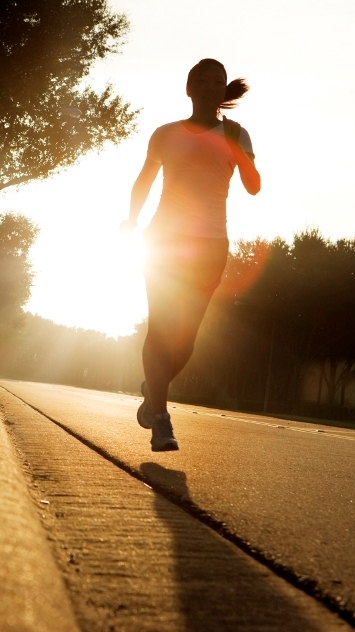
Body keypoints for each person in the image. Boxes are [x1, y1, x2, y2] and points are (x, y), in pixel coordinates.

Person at [119, 59, 261, 451]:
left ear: (223, 90)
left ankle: (153, 392)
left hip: (211, 245)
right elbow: (144, 180)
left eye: (219, 81)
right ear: (189, 88)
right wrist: (131, 220)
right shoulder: (165, 134)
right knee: (162, 329)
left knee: (186, 342)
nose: (211, 86)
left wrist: (238, 149)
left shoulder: (237, 133)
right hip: (164, 241)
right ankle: (161, 420)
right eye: (203, 79)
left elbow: (253, 187)